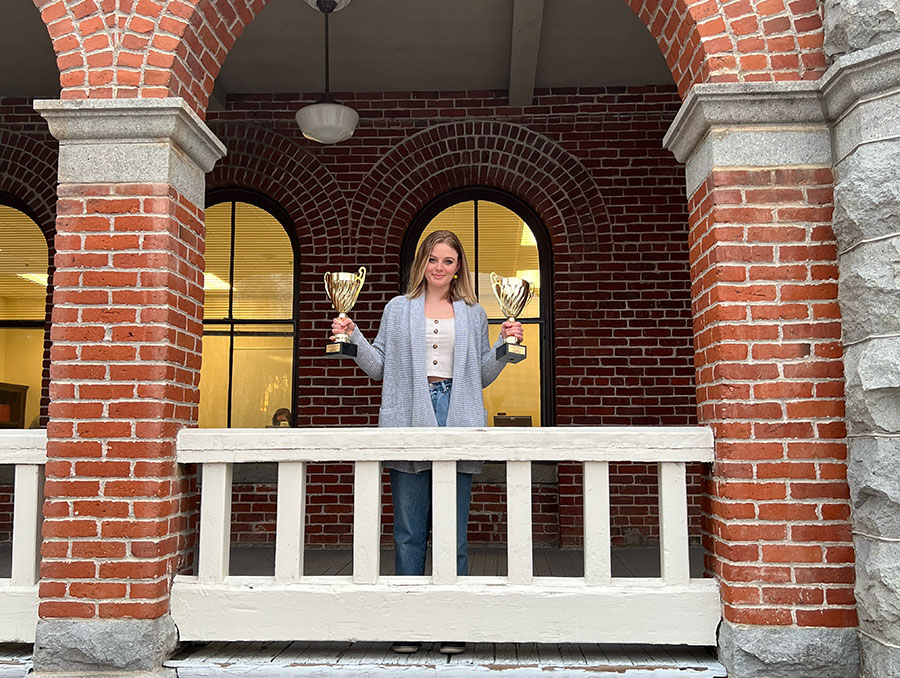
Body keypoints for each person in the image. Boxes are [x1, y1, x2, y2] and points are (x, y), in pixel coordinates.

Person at [331, 230, 523, 656]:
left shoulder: (474, 313)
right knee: (409, 532)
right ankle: (409, 624)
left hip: (457, 413)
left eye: (448, 261)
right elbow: (379, 367)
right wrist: (352, 335)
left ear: (459, 268)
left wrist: (507, 347)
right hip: (408, 416)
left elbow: (481, 376)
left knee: (452, 533)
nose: (440, 268)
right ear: (423, 262)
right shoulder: (398, 309)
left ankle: (451, 623)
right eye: (433, 259)